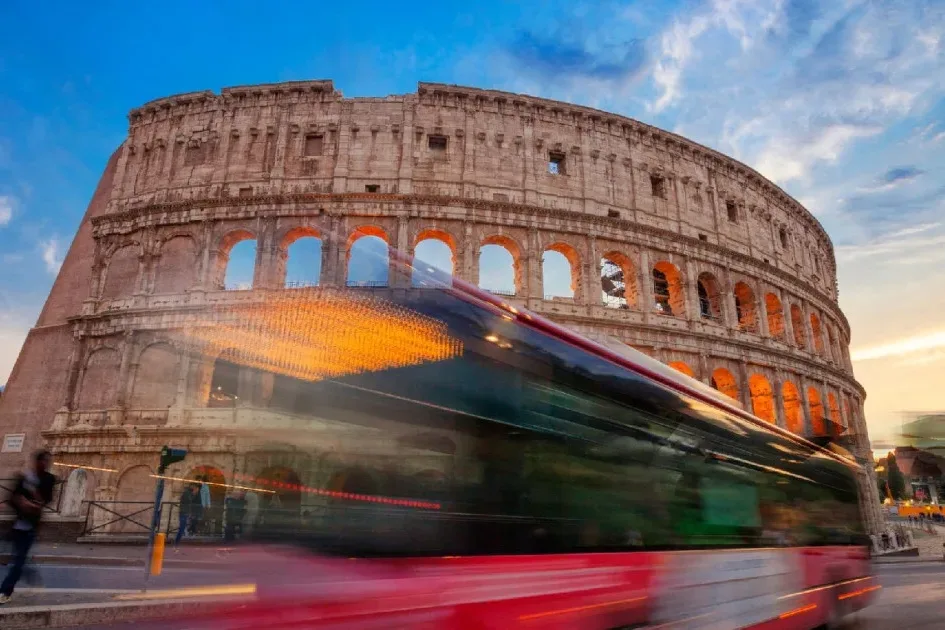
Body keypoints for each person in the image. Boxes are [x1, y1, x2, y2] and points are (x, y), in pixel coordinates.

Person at [1, 450, 55, 605]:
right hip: (16, 525)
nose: (45, 464)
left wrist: (31, 502)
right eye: (43, 461)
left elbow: (46, 500)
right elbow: (12, 498)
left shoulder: (48, 479)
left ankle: (5, 591)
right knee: (18, 558)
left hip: (31, 526)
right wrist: (21, 502)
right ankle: (32, 577)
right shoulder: (23, 477)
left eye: (47, 461)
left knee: (18, 560)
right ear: (37, 462)